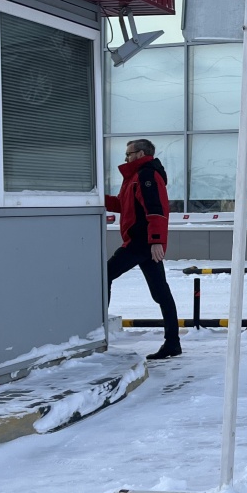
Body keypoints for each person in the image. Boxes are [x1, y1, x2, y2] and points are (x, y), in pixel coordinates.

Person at [106, 139, 181, 359]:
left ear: (140, 154)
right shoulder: (134, 177)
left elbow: (156, 209)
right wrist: (97, 199)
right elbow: (123, 205)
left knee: (103, 276)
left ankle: (96, 334)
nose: (125, 158)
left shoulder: (146, 175)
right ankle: (173, 343)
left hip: (141, 244)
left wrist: (156, 241)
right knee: (161, 293)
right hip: (143, 243)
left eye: (128, 154)